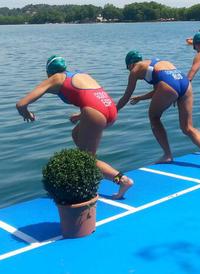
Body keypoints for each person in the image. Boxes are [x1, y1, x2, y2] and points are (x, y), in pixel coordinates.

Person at [16, 56, 133, 199]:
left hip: (96, 112)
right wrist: (80, 115)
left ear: (48, 72)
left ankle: (121, 180)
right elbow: (91, 96)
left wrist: (27, 114)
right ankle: (90, 168)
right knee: (76, 134)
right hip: (110, 109)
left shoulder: (55, 78)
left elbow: (21, 104)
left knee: (86, 158)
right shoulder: (81, 75)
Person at [117, 51, 200, 166]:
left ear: (130, 65)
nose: (130, 71)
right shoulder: (159, 62)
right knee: (188, 127)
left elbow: (126, 96)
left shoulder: (135, 70)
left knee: (154, 117)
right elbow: (163, 86)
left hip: (168, 84)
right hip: (184, 83)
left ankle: (167, 155)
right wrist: (141, 98)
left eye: (128, 69)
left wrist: (114, 111)